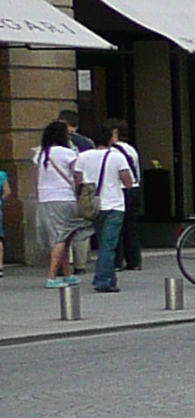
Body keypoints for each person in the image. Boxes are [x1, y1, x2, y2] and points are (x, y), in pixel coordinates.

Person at [79, 123, 138, 293]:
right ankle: (103, 280)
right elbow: (128, 181)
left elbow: (77, 177)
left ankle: (110, 277)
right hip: (114, 204)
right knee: (108, 244)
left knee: (103, 240)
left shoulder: (83, 157)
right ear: (110, 138)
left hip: (94, 205)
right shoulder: (117, 157)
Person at [29, 120, 85, 286]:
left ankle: (67, 273)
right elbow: (77, 175)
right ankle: (52, 276)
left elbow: (35, 178)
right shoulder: (67, 153)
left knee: (63, 236)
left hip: (46, 199)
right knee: (61, 237)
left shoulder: (40, 154)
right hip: (64, 197)